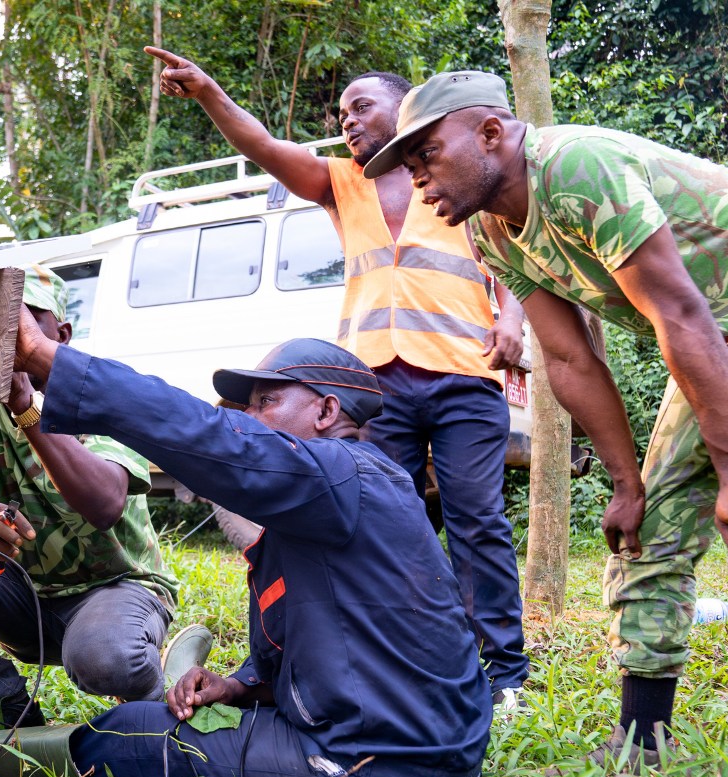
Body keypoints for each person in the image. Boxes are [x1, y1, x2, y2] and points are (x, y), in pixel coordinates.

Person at [365, 71, 728, 777]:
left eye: (427, 154)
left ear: (491, 133)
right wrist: (625, 482)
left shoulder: (577, 166)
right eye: (407, 166)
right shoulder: (490, 228)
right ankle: (643, 742)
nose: (418, 178)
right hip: (720, 339)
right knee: (646, 534)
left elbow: (676, 308)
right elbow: (570, 361)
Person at [0, 324, 492, 777]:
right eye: (247, 407)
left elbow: (208, 437)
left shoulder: (342, 475)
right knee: (148, 722)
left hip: (381, 776)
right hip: (412, 750)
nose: (250, 420)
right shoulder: (330, 504)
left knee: (119, 738)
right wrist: (240, 685)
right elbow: (323, 645)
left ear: (328, 411)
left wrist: (46, 361)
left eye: (266, 403)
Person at [146, 47, 530, 706]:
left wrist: (512, 321)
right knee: (382, 523)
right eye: (342, 112)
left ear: (406, 110)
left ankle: (503, 671)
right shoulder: (340, 181)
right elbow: (264, 145)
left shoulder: (460, 171)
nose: (347, 121)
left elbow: (514, 260)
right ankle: (404, 650)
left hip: (466, 374)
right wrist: (210, 91)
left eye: (361, 106)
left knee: (478, 521)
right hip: (372, 389)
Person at [0, 267, 190, 731]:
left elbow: (105, 504)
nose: (6, 339)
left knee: (104, 659)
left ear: (60, 335)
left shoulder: (99, 389)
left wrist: (26, 409)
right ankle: (11, 707)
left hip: (116, 588)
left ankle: (155, 705)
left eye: (22, 323)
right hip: (26, 597)